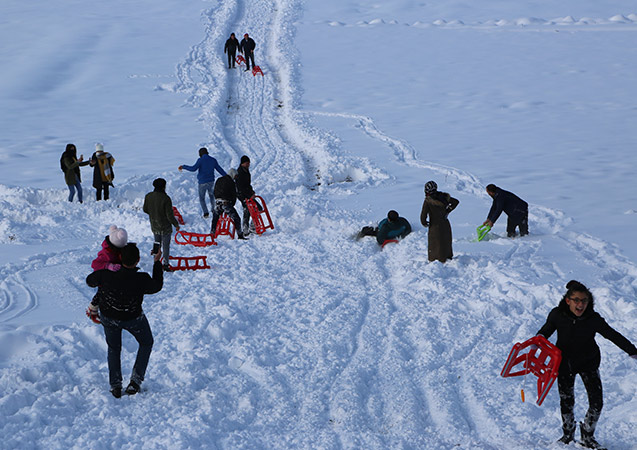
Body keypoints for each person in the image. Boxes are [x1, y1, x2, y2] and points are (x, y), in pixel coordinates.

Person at [537, 280, 637, 449]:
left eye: (584, 300)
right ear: (568, 301)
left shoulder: (593, 319)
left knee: (597, 402)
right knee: (566, 400)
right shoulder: (557, 315)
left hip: (588, 363)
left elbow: (613, 335)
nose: (580, 304)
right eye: (576, 300)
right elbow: (545, 331)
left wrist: (633, 351)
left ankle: (588, 435)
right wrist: (536, 341)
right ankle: (568, 434)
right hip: (564, 364)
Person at [86, 243, 163, 398]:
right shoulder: (141, 279)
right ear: (138, 260)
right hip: (132, 318)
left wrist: (108, 266)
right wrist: (157, 262)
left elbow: (90, 281)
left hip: (109, 317)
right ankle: (135, 381)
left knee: (114, 348)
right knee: (146, 342)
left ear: (120, 258)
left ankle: (115, 385)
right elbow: (157, 286)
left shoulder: (106, 274)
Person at [143, 178, 180, 271]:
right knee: (166, 245)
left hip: (154, 224)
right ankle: (166, 264)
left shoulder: (148, 196)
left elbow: (145, 209)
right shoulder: (166, 199)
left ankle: (156, 261)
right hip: (165, 226)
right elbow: (169, 215)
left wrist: (154, 214)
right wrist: (176, 224)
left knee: (157, 243)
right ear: (164, 187)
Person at [179, 147, 227, 218]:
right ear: (207, 152)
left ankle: (206, 213)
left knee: (202, 198)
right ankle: (214, 210)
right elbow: (219, 169)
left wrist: (183, 167)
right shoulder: (213, 160)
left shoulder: (200, 160)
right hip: (211, 182)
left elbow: (193, 168)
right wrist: (226, 176)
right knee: (212, 196)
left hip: (202, 183)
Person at [420, 181, 459, 263]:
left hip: (434, 225)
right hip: (445, 223)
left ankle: (436, 258)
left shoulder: (428, 201)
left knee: (435, 243)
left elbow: (423, 214)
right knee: (446, 240)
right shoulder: (443, 197)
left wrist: (424, 222)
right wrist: (447, 211)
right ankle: (447, 256)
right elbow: (455, 202)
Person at [210, 169, 245, 239]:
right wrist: (232, 203)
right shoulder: (231, 182)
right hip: (226, 203)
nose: (235, 177)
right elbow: (233, 194)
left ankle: (212, 233)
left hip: (217, 203)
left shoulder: (219, 179)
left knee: (215, 218)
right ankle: (240, 235)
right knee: (237, 218)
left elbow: (214, 191)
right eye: (235, 176)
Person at [235, 155, 257, 236]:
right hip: (242, 195)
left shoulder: (246, 171)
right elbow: (241, 187)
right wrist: (249, 195)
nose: (248, 165)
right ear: (242, 163)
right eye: (247, 163)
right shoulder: (240, 173)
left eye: (249, 163)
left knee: (255, 208)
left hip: (247, 194)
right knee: (248, 210)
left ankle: (251, 227)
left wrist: (252, 192)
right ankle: (246, 228)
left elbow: (248, 185)